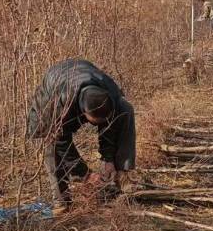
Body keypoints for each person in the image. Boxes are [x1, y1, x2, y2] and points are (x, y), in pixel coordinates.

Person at [26, 58, 136, 209]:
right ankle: (61, 200)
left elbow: (110, 126)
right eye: (94, 121)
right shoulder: (60, 103)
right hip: (54, 88)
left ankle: (122, 175)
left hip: (85, 76)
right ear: (83, 112)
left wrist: (108, 158)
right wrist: (85, 174)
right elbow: (62, 142)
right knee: (50, 138)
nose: (96, 126)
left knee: (126, 109)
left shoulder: (111, 92)